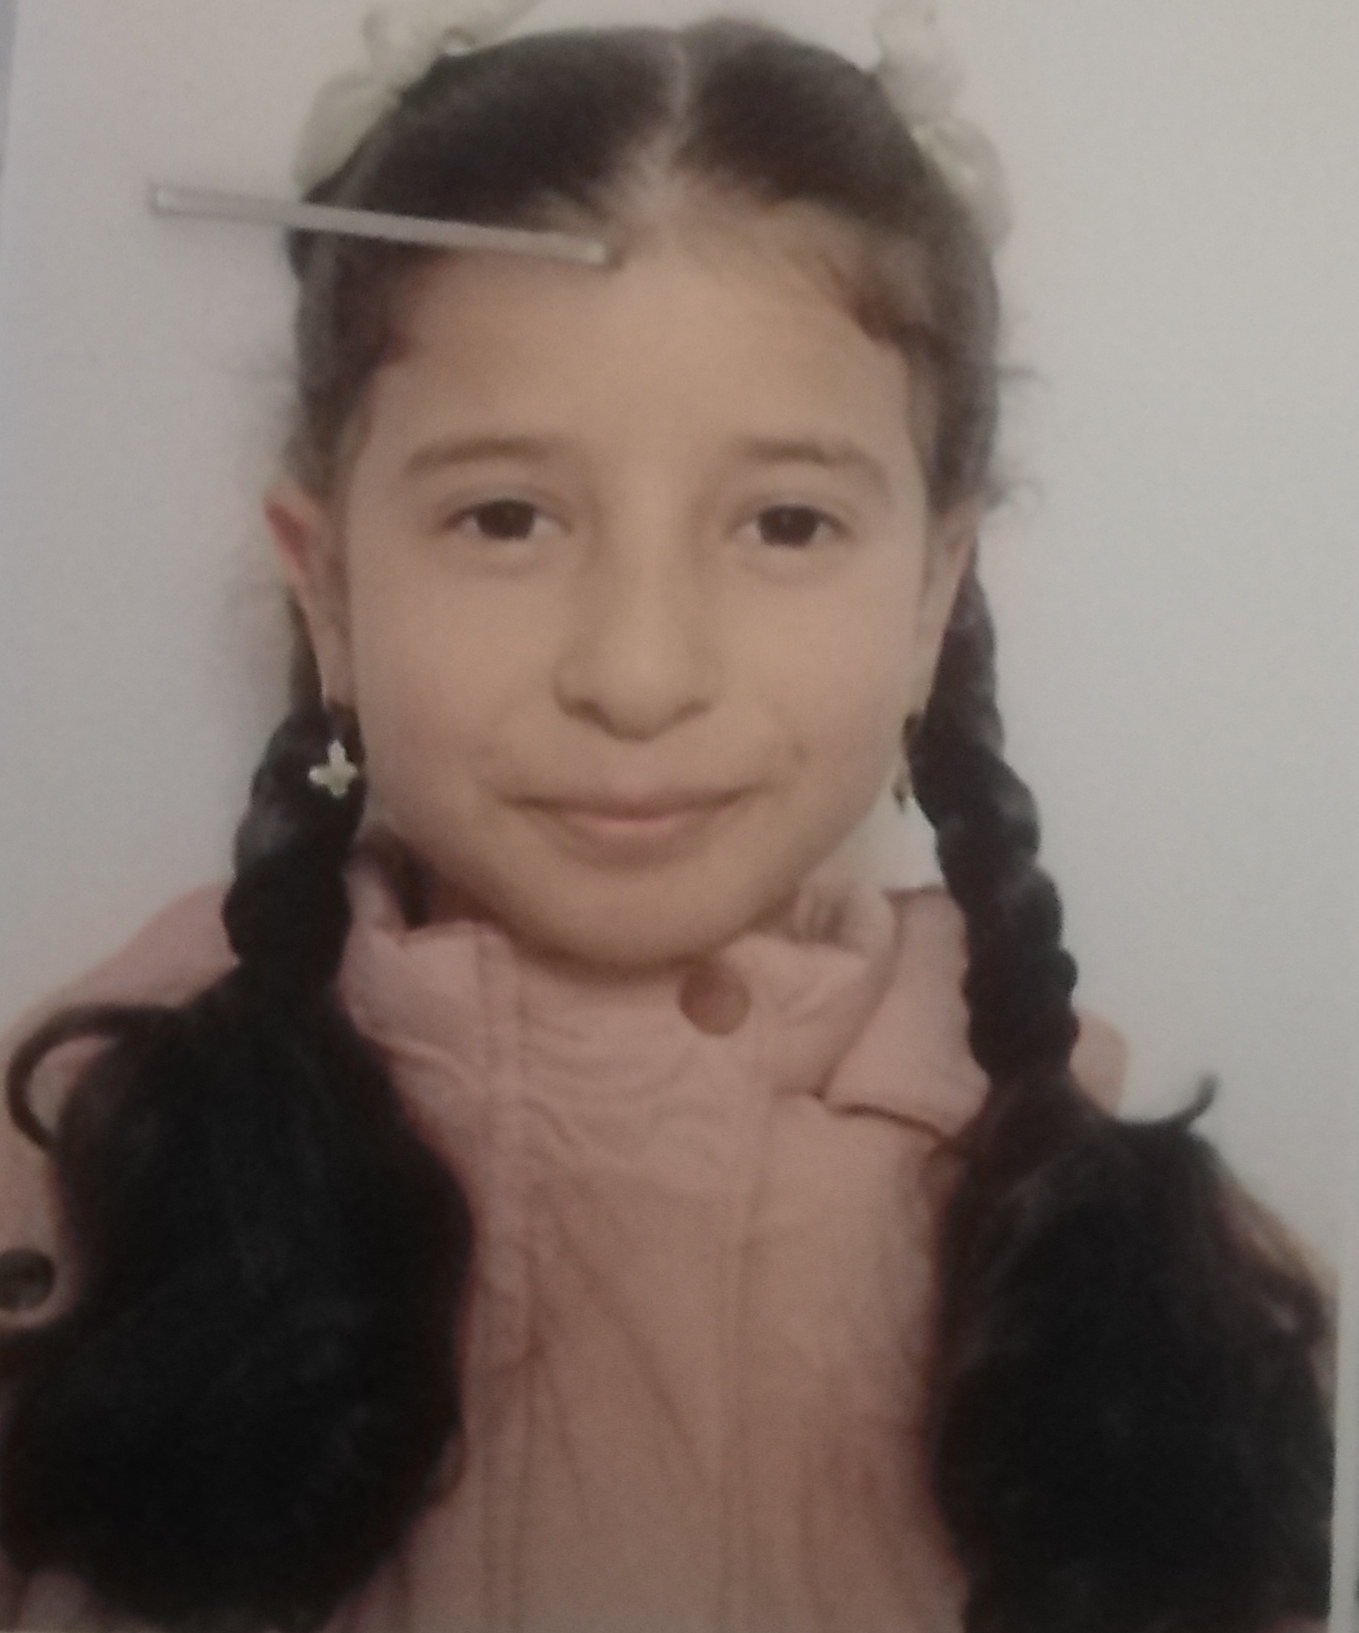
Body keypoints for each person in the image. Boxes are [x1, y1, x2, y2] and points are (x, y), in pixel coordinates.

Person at [0, 3, 1334, 1630]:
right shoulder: (83, 1171)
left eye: (786, 523)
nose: (638, 674)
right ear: (328, 585)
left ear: (934, 593)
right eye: (507, 515)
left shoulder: (1153, 1289)